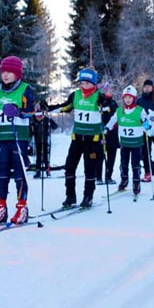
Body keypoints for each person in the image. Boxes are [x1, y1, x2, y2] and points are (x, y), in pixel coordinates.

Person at [0, 56, 35, 224]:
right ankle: (1, 207)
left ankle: (22, 207)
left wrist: (18, 111)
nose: (5, 75)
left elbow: (31, 112)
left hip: (18, 137)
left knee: (20, 173)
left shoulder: (25, 89)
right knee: (2, 173)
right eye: (3, 71)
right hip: (3, 137)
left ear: (17, 73)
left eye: (10, 72)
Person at [48, 68, 106, 208]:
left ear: (93, 83)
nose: (84, 86)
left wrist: (103, 104)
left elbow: (108, 108)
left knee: (89, 169)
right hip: (77, 139)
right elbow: (65, 107)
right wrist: (49, 108)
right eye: (82, 83)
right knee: (69, 167)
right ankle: (70, 196)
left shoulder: (99, 95)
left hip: (93, 140)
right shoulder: (76, 95)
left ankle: (88, 196)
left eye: (88, 83)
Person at [104, 85, 150, 196]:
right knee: (123, 164)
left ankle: (136, 182)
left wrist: (147, 125)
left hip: (136, 143)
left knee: (135, 164)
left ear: (134, 98)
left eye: (130, 97)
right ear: (123, 98)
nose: (128, 100)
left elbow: (146, 122)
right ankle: (124, 180)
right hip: (124, 143)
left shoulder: (140, 110)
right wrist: (106, 128)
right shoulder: (120, 111)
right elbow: (112, 121)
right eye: (126, 97)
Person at [96, 85, 119, 185]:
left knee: (112, 156)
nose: (109, 92)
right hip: (101, 133)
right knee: (100, 155)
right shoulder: (99, 101)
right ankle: (98, 177)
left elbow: (117, 116)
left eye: (111, 90)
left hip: (113, 134)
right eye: (107, 90)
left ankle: (108, 176)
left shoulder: (113, 102)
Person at [30, 103, 58, 178]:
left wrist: (51, 121)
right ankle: (38, 172)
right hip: (37, 141)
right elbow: (30, 132)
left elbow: (55, 127)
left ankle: (47, 171)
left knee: (46, 157)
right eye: (37, 116)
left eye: (40, 116)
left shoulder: (46, 120)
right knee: (38, 157)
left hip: (45, 141)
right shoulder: (33, 120)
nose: (39, 118)